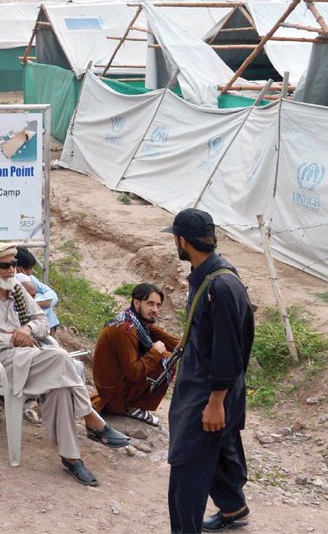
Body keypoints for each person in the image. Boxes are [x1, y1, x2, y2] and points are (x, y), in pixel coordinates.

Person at [0, 243, 130, 486]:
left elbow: (41, 319)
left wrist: (26, 329)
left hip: (28, 357)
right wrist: (10, 338)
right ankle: (91, 417)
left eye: (13, 265)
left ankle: (71, 458)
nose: (11, 270)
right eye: (5, 266)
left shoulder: (16, 288)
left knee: (60, 385)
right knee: (60, 357)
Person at [163, 209, 255, 533]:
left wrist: (216, 401)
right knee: (217, 453)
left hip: (208, 392)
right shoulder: (207, 274)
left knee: (186, 466)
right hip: (204, 386)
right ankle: (233, 509)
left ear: (182, 240)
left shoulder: (222, 286)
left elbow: (228, 349)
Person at [92, 283, 180, 427]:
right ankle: (130, 407)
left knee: (167, 355)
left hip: (117, 389)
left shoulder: (139, 323)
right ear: (137, 302)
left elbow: (172, 341)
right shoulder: (126, 329)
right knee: (164, 359)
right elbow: (134, 372)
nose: (155, 310)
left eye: (158, 305)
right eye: (150, 304)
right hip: (114, 395)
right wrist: (155, 352)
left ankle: (132, 404)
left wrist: (196, 345)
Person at [14, 246, 60, 334]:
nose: (30, 272)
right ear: (17, 267)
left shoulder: (30, 278)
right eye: (27, 269)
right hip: (20, 324)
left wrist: (34, 303)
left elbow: (52, 294)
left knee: (41, 299)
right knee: (46, 309)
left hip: (35, 321)